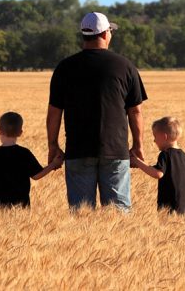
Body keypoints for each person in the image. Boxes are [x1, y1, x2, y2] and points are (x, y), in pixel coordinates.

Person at [47, 12, 148, 211]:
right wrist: (138, 145)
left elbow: (54, 112)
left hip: (78, 150)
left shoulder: (65, 67)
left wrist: (53, 145)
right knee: (118, 215)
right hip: (116, 150)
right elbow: (135, 112)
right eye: (110, 30)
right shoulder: (125, 66)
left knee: (80, 214)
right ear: (104, 34)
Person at [0, 111, 64, 213]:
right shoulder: (24, 153)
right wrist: (53, 164)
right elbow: (36, 175)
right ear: (20, 132)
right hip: (22, 207)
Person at [130, 116, 185, 214]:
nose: (154, 141)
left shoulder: (165, 154)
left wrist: (137, 162)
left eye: (155, 137)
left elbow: (158, 173)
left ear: (164, 137)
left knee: (169, 228)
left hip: (169, 208)